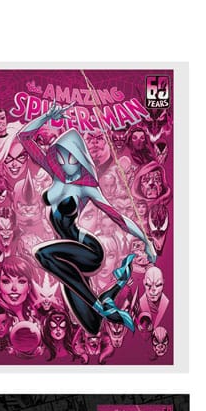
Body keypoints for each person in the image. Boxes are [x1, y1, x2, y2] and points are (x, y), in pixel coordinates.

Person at [17, 104, 156, 334]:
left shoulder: (87, 187)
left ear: (80, 157)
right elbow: (24, 137)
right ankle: (108, 298)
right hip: (66, 258)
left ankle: (100, 305)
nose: (66, 164)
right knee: (92, 325)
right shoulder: (56, 175)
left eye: (71, 159)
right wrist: (46, 117)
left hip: (88, 251)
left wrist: (146, 241)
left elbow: (119, 218)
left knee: (42, 254)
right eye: (61, 159)